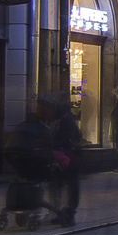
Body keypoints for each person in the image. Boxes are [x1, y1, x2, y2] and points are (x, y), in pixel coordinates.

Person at [44, 96, 83, 226]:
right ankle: (62, 212)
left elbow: (72, 138)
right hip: (64, 156)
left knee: (65, 184)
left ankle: (65, 212)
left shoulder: (63, 121)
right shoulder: (62, 119)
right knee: (65, 185)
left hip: (67, 156)